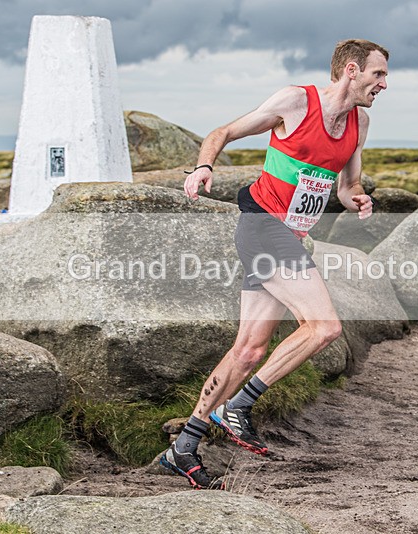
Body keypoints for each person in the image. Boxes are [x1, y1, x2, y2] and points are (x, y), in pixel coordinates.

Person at [161, 39, 389, 489]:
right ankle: (239, 407)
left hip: (290, 235)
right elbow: (222, 132)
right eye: (378, 74)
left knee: (248, 351)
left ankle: (183, 447)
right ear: (351, 70)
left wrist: (357, 196)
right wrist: (202, 167)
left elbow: (348, 183)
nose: (384, 83)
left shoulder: (359, 122)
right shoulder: (295, 102)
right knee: (324, 327)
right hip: (263, 226)